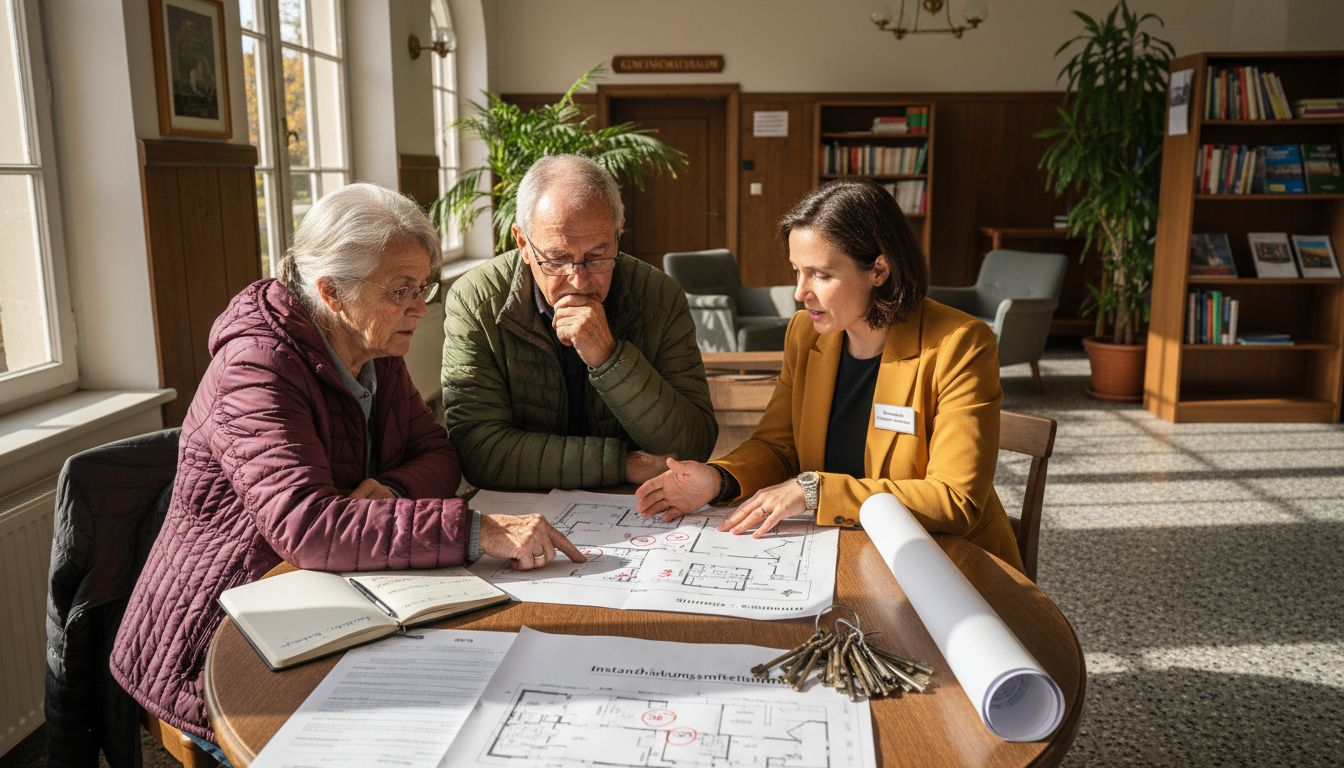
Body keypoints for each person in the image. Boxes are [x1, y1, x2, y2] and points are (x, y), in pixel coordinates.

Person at [110, 183, 585, 756]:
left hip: (337, 594)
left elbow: (439, 453)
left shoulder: (374, 349)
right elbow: (309, 530)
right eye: (401, 291)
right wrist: (478, 530)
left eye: (424, 286)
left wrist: (386, 490)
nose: (420, 307)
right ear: (332, 292)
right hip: (221, 639)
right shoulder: (256, 366)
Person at [634, 179, 1023, 571]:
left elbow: (954, 500)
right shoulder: (805, 334)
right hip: (845, 554)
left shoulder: (960, 344)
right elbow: (777, 447)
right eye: (797, 272)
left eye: (820, 275)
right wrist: (719, 480)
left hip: (947, 563)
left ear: (879, 270)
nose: (800, 293)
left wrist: (814, 492)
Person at [441, 154, 717, 490]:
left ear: (618, 234)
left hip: (637, 508)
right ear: (523, 244)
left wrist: (609, 358)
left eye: (598, 256)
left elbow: (693, 444)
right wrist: (622, 464)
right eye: (557, 259)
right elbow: (479, 451)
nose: (579, 280)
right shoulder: (476, 301)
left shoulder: (659, 296)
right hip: (525, 509)